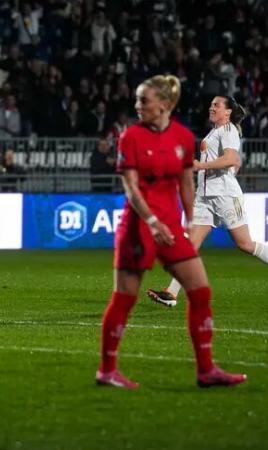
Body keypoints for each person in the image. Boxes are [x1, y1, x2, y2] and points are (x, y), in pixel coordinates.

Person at [97, 75, 247, 389]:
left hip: (171, 228)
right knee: (124, 298)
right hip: (139, 227)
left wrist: (191, 218)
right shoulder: (131, 137)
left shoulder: (182, 136)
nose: (138, 106)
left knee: (201, 291)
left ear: (164, 105)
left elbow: (184, 182)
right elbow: (131, 187)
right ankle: (107, 370)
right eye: (138, 100)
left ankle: (206, 370)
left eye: (144, 100)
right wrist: (152, 222)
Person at [147, 96, 268, 307]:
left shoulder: (228, 130)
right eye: (211, 104)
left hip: (225, 196)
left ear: (228, 112)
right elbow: (232, 161)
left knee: (245, 244)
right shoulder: (215, 131)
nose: (211, 107)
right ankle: (171, 293)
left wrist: (200, 166)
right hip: (205, 197)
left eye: (216, 105)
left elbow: (231, 158)